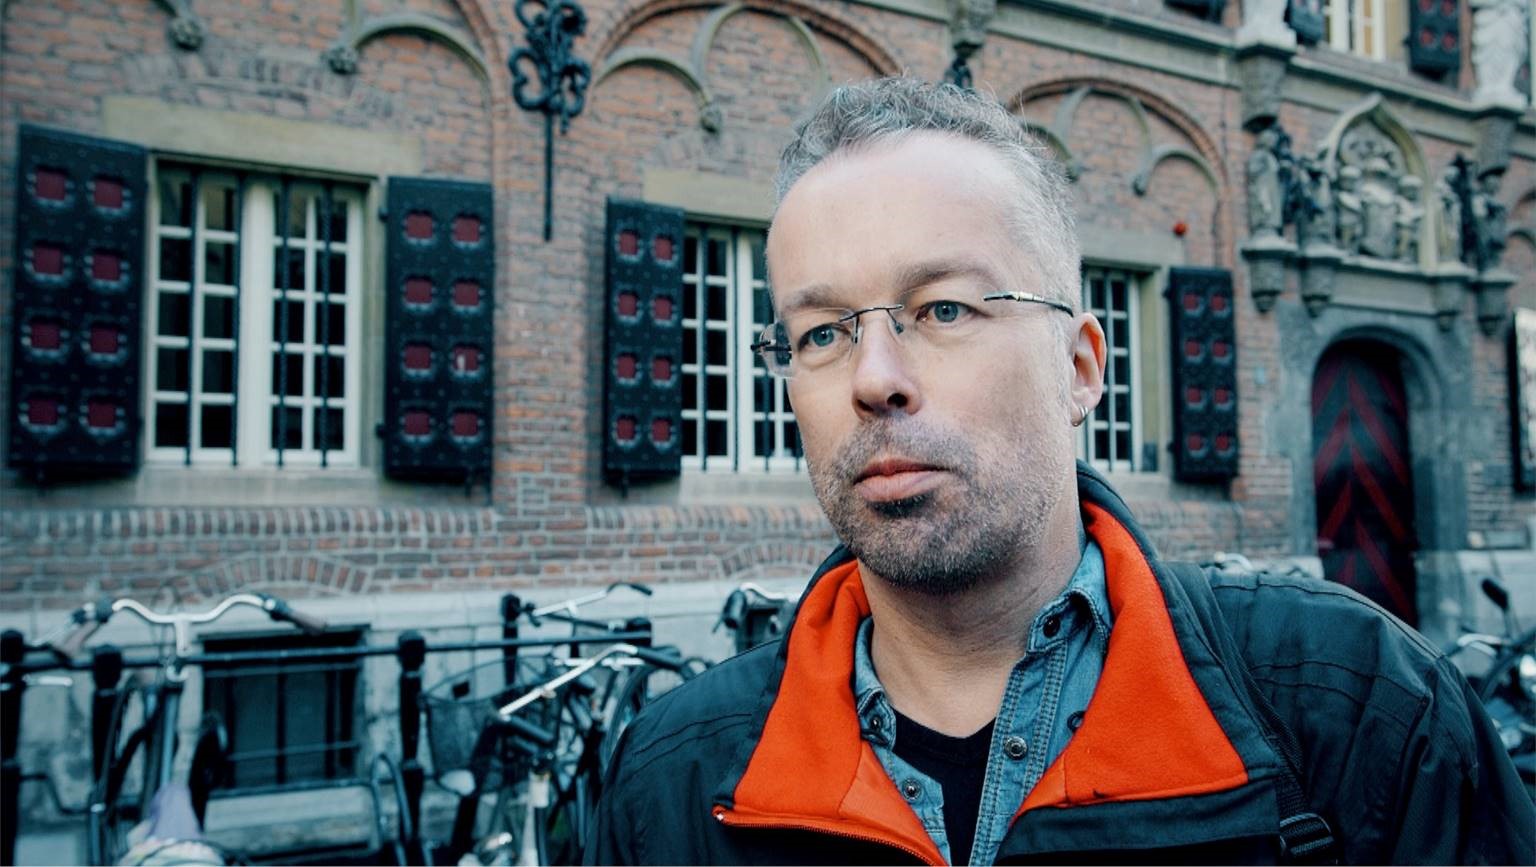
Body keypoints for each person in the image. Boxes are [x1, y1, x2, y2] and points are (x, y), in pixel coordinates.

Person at [585, 77, 1535, 865]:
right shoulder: (670, 782)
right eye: (823, 332)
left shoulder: (1361, 710)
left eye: (944, 309)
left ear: (1080, 368)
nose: (873, 378)